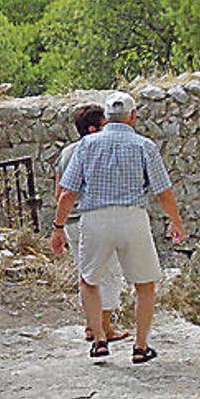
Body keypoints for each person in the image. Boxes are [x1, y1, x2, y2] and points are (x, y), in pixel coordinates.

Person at [50, 92, 185, 364]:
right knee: (144, 284)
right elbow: (163, 191)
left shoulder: (86, 146)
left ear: (107, 117)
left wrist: (58, 228)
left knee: (89, 281)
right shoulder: (144, 146)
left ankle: (99, 340)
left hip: (94, 220)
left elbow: (66, 193)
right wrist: (175, 220)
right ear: (132, 116)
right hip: (132, 218)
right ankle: (140, 346)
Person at [54, 104, 128, 344]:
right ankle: (103, 329)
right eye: (106, 124)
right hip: (96, 219)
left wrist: (58, 226)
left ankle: (91, 325)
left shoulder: (66, 153)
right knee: (111, 275)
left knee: (87, 275)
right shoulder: (102, 150)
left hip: (71, 223)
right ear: (94, 128)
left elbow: (60, 192)